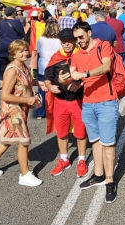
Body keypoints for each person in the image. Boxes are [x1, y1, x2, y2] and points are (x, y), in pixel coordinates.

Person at [0, 40, 43, 187]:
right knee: (23, 141)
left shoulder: (23, 66)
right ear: (13, 54)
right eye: (21, 51)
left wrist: (39, 84)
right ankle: (25, 174)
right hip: (13, 111)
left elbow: (27, 81)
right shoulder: (12, 70)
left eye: (26, 50)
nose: (25, 53)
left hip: (22, 108)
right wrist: (28, 99)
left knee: (8, 138)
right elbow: (5, 95)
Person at [69, 21, 120, 203]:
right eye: (76, 39)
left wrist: (85, 74)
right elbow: (72, 74)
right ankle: (98, 175)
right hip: (88, 103)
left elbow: (106, 66)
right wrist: (67, 80)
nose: (79, 41)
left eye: (81, 37)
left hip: (106, 102)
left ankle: (110, 181)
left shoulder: (103, 46)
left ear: (89, 33)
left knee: (108, 144)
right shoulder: (77, 55)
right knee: (95, 141)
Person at [44, 28, 88, 178]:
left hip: (78, 100)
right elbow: (47, 77)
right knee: (61, 132)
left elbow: (90, 75)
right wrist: (50, 86)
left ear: (74, 41)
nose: (66, 44)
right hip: (60, 101)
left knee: (80, 132)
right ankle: (64, 159)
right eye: (63, 42)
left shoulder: (81, 55)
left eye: (69, 41)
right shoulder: (56, 57)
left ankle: (81, 160)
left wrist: (80, 84)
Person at [31, 20, 61, 120]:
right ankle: (55, 110)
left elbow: (38, 52)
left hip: (43, 65)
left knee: (42, 90)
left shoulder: (41, 39)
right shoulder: (59, 40)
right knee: (56, 88)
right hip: (55, 66)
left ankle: (40, 111)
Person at [0, 7, 26, 88]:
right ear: (13, 13)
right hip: (14, 47)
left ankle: (2, 83)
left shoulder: (0, 23)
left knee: (3, 65)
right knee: (15, 65)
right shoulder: (17, 22)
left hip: (3, 46)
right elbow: (22, 34)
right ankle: (14, 82)